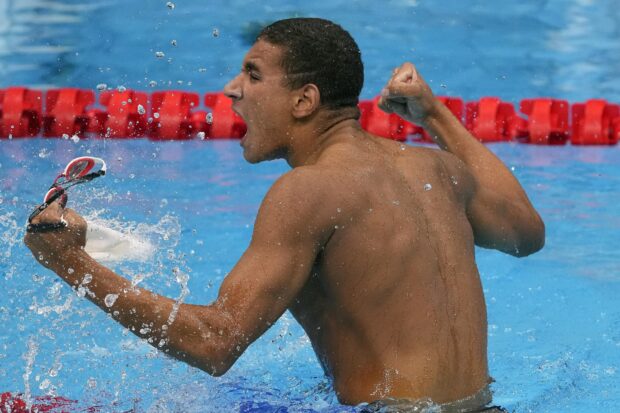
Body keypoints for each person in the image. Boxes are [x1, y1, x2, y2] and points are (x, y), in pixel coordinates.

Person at [25, 18, 544, 412]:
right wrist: (433, 113)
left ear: (304, 100)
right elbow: (525, 233)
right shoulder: (437, 168)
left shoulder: (306, 191)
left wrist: (69, 263)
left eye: (253, 74)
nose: (233, 89)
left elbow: (215, 343)